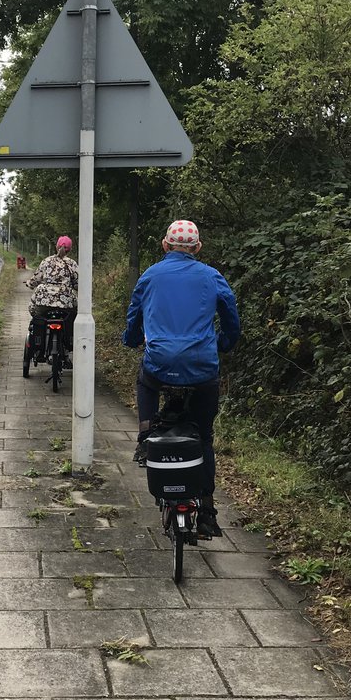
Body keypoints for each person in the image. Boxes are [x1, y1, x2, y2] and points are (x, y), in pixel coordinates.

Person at [123, 220, 240, 537]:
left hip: (160, 364)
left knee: (145, 380)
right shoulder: (211, 276)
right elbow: (231, 316)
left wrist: (131, 339)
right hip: (203, 368)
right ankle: (207, 511)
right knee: (203, 438)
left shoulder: (151, 275)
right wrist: (224, 343)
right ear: (197, 248)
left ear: (165, 245)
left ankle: (146, 437)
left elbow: (134, 314)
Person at [26, 235, 79, 364]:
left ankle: (39, 348)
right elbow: (78, 283)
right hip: (66, 304)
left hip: (44, 301)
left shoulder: (46, 261)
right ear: (69, 250)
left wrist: (29, 284)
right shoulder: (72, 264)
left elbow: (36, 279)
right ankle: (67, 348)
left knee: (37, 316)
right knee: (71, 318)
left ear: (57, 247)